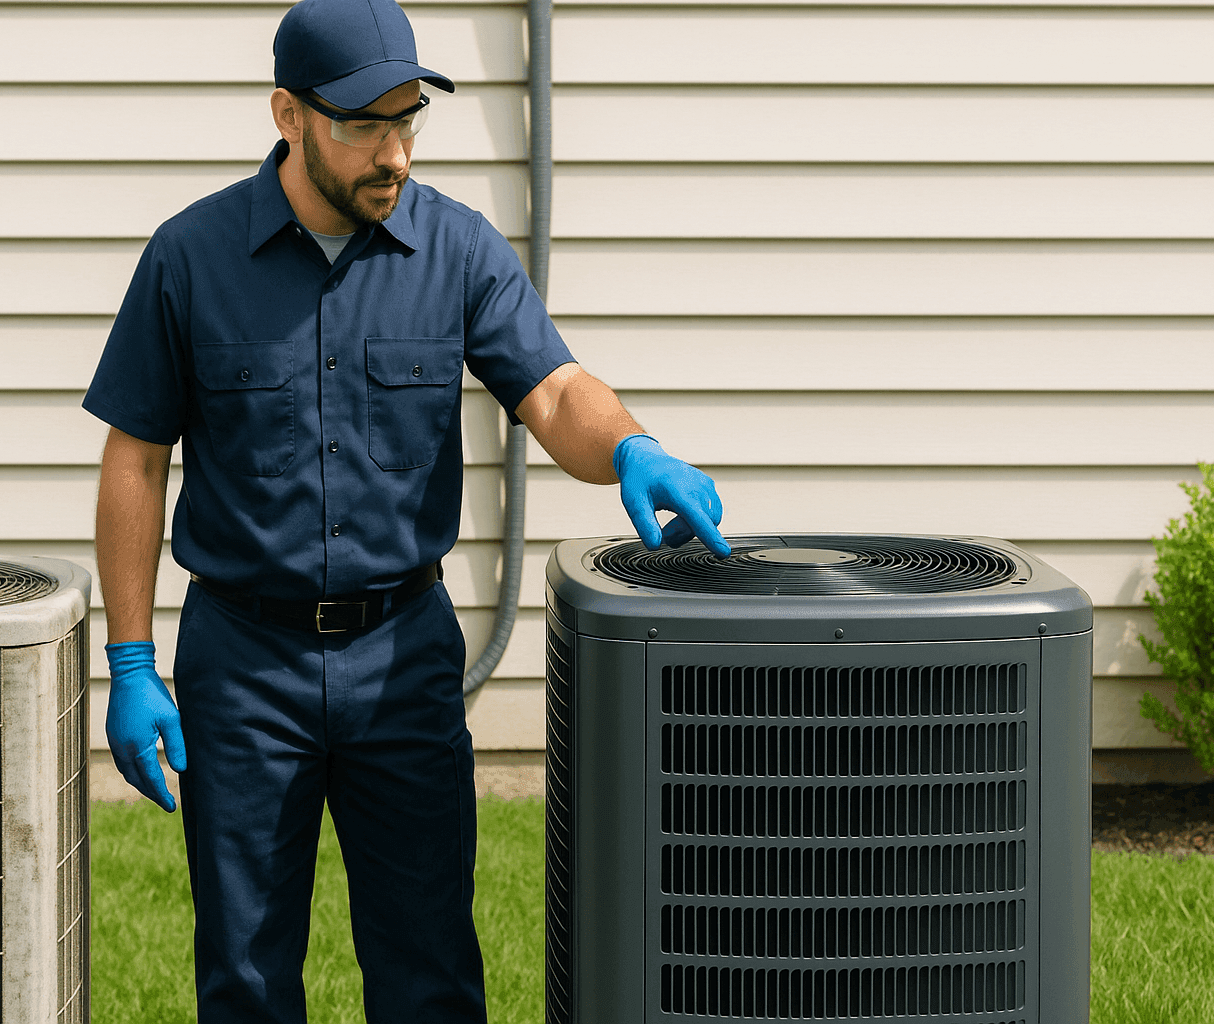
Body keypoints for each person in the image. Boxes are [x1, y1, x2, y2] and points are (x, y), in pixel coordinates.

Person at [83, 0, 730, 1019]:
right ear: (288, 115)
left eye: (408, 120)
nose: (393, 153)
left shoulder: (458, 251)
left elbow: (554, 391)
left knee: (429, 967)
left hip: (402, 657)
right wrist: (126, 660)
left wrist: (631, 445)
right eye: (363, 126)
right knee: (245, 977)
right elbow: (135, 458)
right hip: (243, 667)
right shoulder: (188, 258)